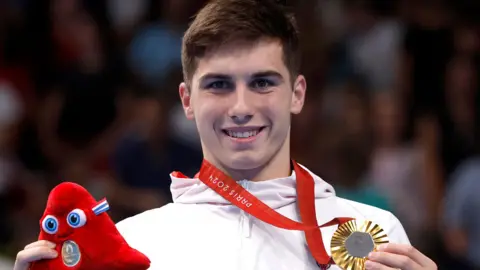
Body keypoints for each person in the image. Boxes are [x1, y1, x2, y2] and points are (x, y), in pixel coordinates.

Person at [14, 0, 438, 269]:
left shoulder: (372, 232)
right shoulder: (129, 246)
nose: (240, 107)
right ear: (187, 100)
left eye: (262, 83)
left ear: (297, 93)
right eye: (218, 84)